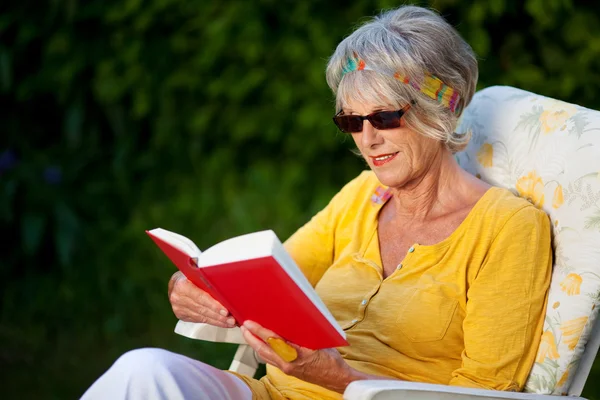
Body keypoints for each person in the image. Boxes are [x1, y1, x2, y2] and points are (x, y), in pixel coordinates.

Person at [81, 5, 552, 400]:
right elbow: (261, 284)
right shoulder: (361, 198)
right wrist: (193, 289)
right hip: (273, 394)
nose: (368, 140)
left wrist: (337, 378)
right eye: (351, 121)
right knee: (143, 371)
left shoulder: (508, 228)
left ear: (443, 107)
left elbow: (485, 393)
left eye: (385, 117)